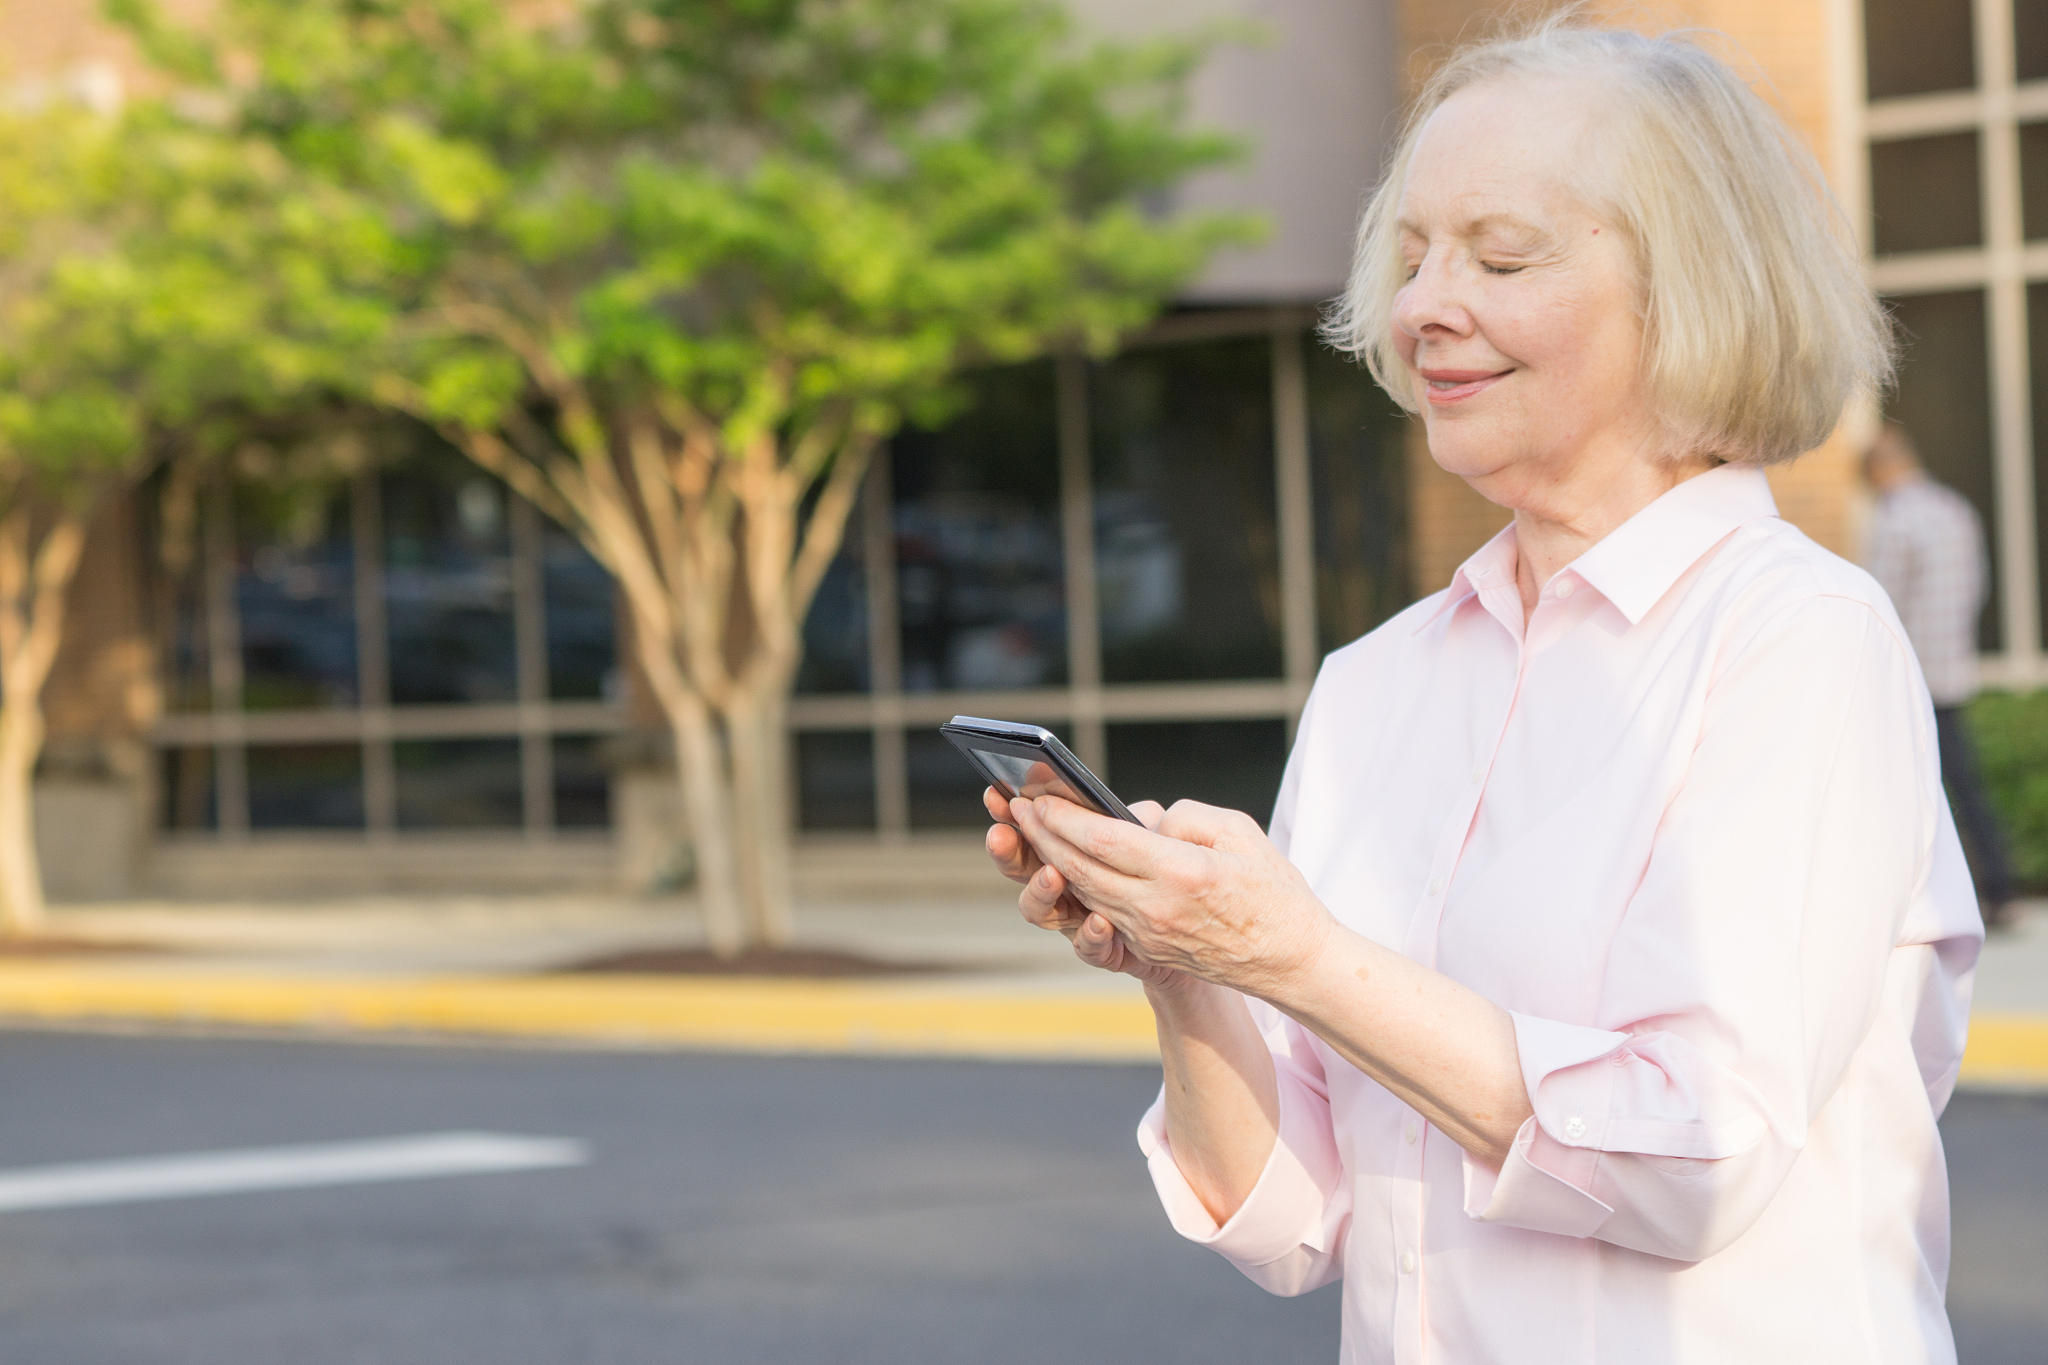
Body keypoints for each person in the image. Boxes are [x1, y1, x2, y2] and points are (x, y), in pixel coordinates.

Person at [980, 19, 1982, 1364]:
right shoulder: (1376, 681)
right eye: (1410, 257)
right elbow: (1294, 1224)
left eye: (1499, 255)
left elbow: (1697, 1153)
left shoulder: (1800, 637)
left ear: (1687, 286)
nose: (1422, 306)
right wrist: (1192, 973)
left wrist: (1296, 954)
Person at [1863, 423, 2020, 928]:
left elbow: (1881, 608)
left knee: (1907, 792)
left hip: (1910, 680)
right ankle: (1998, 886)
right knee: (1963, 786)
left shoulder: (1895, 520)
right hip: (1952, 670)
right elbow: (1978, 585)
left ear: (1878, 471)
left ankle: (1924, 901)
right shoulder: (1955, 509)